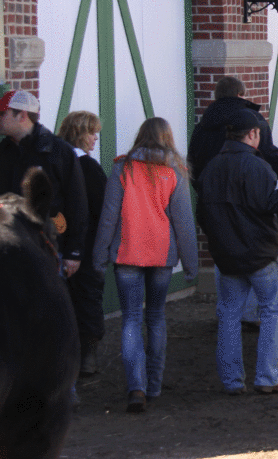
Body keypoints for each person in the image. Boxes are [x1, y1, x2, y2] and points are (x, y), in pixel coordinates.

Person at [196, 108, 278, 396]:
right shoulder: (258, 167)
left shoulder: (211, 168)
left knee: (229, 315)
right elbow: (268, 203)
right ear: (254, 134)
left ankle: (233, 381)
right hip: (261, 254)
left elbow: (202, 215)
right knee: (273, 311)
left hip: (226, 256)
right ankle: (267, 377)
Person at [93, 117, 198, 413]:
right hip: (162, 256)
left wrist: (99, 256)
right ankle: (154, 385)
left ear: (141, 136)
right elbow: (184, 223)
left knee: (130, 320)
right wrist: (191, 265)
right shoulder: (175, 172)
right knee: (155, 318)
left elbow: (109, 217)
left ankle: (135, 388)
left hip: (127, 254)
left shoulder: (122, 169)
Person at [0, 89, 88, 280]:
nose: (0, 118)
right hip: (8, 249)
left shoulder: (58, 151)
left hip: (49, 249)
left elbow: (77, 203)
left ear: (21, 115)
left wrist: (74, 252)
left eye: (2, 113)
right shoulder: (3, 152)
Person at [57, 111, 108, 378]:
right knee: (87, 297)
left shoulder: (54, 162)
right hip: (85, 246)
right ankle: (87, 355)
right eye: (92, 132)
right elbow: (102, 208)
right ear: (79, 133)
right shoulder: (87, 168)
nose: (96, 138)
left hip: (59, 242)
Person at [187, 76, 278, 187]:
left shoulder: (203, 123)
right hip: (248, 192)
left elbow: (192, 162)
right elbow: (269, 155)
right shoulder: (252, 120)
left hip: (210, 194)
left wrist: (203, 190)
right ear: (239, 94)